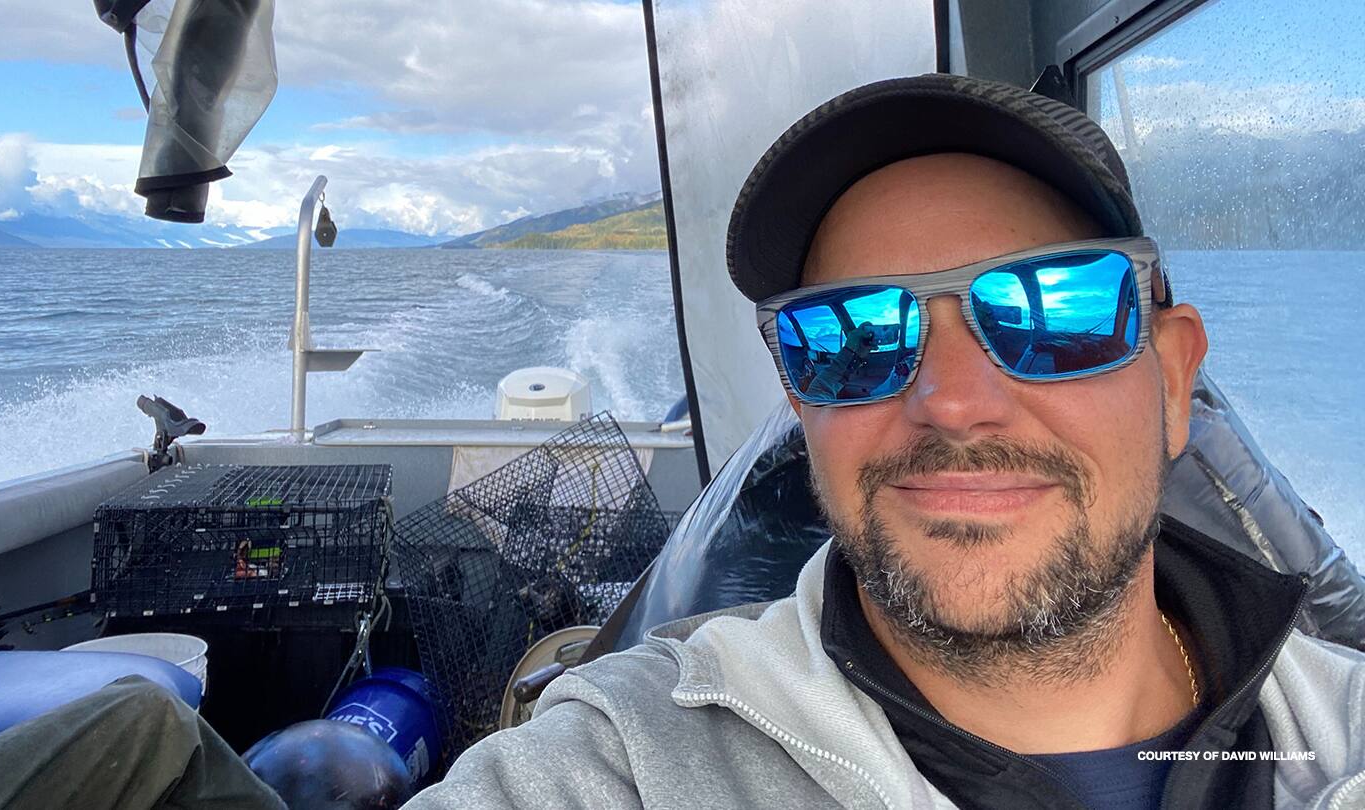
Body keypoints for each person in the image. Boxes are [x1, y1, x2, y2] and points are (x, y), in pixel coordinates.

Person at [405, 74, 1365, 809]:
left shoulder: (1344, 736)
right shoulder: (629, 759)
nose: (951, 402)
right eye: (852, 337)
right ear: (800, 399)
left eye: (1048, 309)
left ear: (1170, 376)